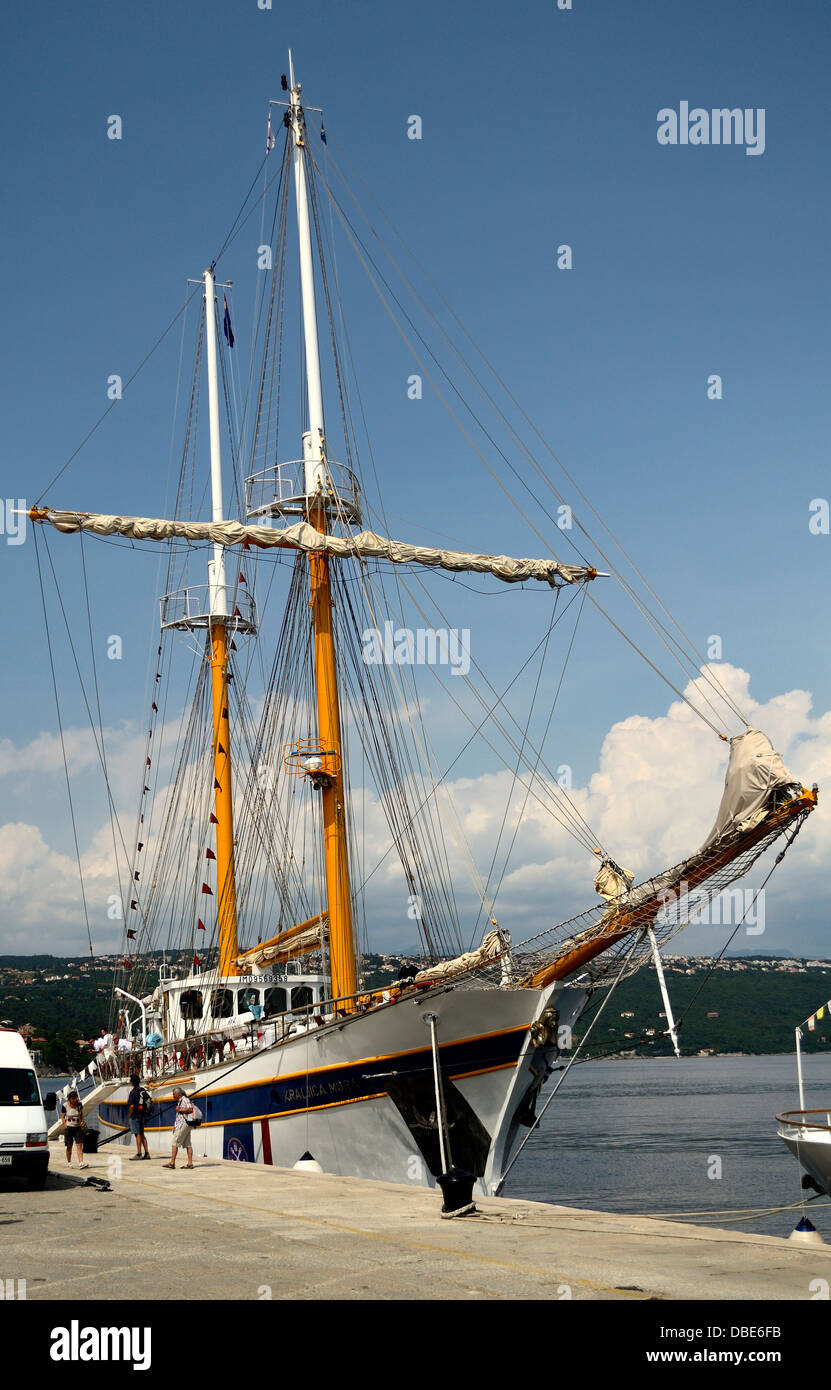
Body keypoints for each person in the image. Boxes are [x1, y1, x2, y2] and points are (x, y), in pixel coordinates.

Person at [163, 1087, 195, 1170]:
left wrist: (180, 1109)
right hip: (184, 1124)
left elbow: (190, 1109)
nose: (173, 1095)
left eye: (174, 1094)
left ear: (178, 1094)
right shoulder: (180, 1101)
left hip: (183, 1124)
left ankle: (172, 1163)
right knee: (188, 1144)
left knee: (175, 1142)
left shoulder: (184, 1099)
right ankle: (190, 1163)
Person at [60, 1090, 88, 1169]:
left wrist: (82, 1121)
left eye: (76, 1098)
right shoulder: (65, 1105)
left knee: (79, 1145)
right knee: (69, 1146)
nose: (75, 1100)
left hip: (78, 1127)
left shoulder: (79, 1105)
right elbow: (62, 1116)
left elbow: (82, 1114)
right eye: (73, 1099)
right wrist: (65, 1125)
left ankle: (81, 1162)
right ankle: (69, 1162)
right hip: (68, 1128)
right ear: (70, 1099)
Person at [127, 1072, 150, 1161]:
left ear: (132, 1082)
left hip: (135, 1115)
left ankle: (139, 1153)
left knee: (137, 1134)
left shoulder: (133, 1092)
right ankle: (147, 1153)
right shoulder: (142, 1090)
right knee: (142, 1134)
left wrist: (130, 1115)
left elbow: (132, 1106)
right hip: (142, 1114)